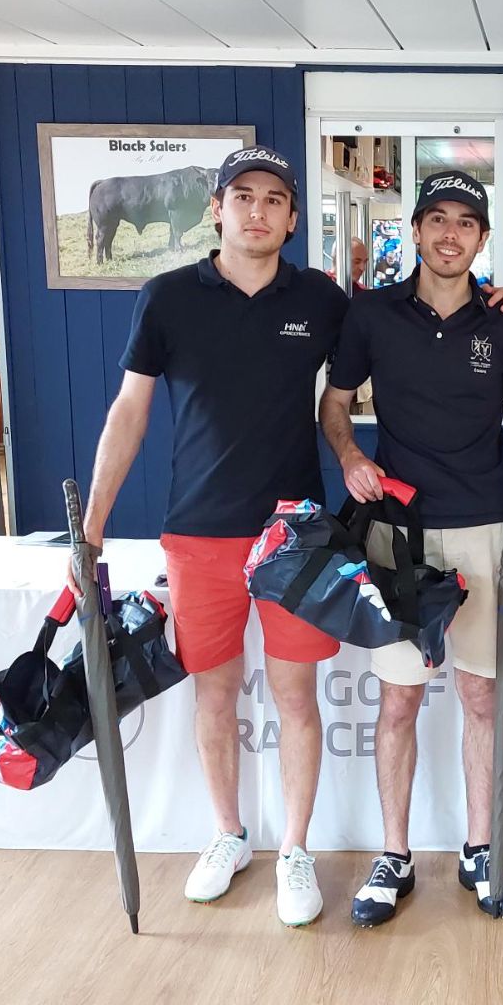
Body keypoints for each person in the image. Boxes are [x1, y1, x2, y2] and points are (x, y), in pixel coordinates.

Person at [77, 145, 342, 928]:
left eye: (274, 200)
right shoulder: (166, 299)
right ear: (216, 208)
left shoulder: (321, 300)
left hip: (295, 534)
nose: (257, 210)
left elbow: (389, 343)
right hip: (198, 533)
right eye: (243, 196)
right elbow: (129, 412)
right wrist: (91, 528)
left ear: (292, 219)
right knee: (215, 694)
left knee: (296, 698)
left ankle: (295, 849)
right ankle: (229, 834)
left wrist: (489, 301)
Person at [320, 169, 503, 926]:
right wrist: (351, 456)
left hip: (483, 528)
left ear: (482, 239)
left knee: (481, 697)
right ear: (414, 231)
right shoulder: (372, 314)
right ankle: (395, 856)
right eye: (437, 219)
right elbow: (334, 404)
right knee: (399, 700)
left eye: (466, 223)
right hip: (397, 533)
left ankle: (480, 849)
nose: (451, 234)